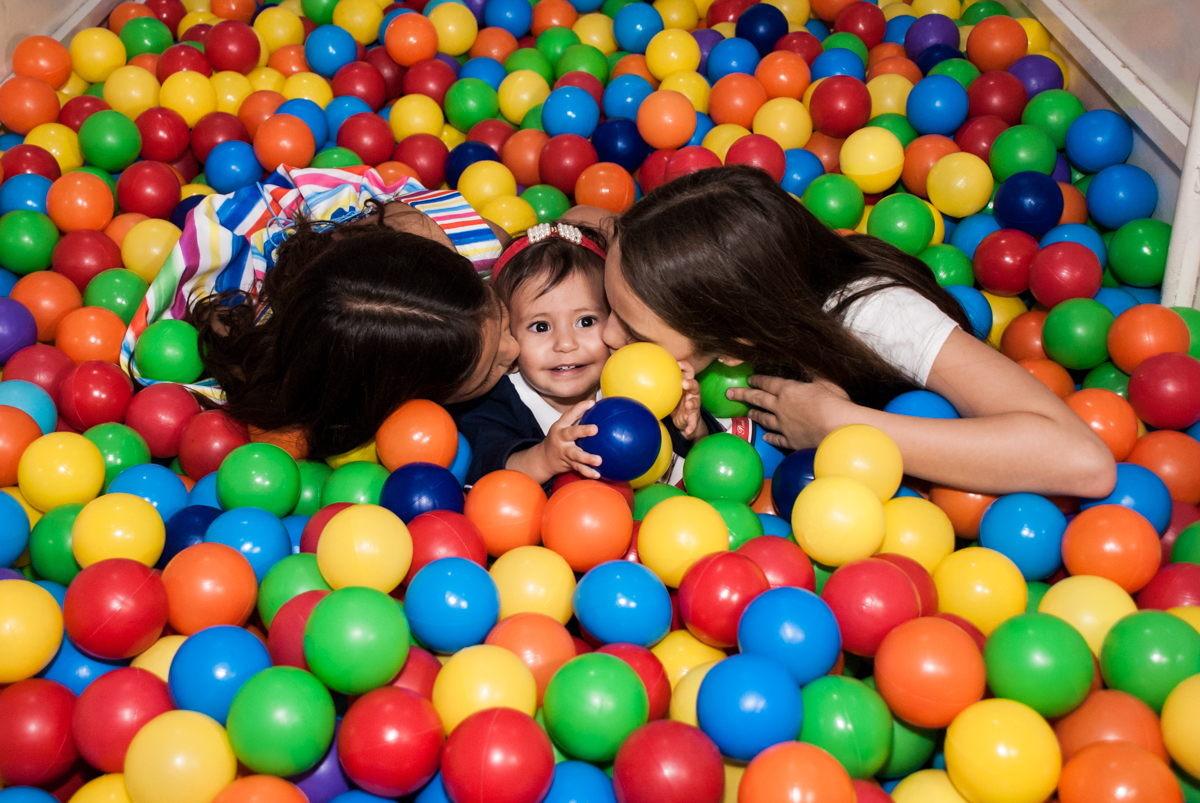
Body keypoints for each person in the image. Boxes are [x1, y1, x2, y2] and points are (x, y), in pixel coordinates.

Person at [601, 166, 1117, 498]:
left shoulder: (879, 315)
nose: (604, 336)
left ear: (738, 343)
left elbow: (1084, 462)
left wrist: (842, 426)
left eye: (630, 330)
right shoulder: (758, 309)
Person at [119, 165, 519, 461]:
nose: (514, 348)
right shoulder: (290, 396)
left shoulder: (461, 242)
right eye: (485, 372)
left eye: (498, 309)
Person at [451, 221, 713, 487]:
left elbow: (706, 455)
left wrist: (690, 427)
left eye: (585, 321)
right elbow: (483, 472)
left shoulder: (638, 378)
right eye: (540, 327)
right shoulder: (495, 402)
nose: (565, 344)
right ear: (508, 338)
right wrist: (543, 459)